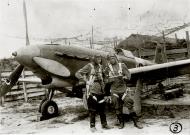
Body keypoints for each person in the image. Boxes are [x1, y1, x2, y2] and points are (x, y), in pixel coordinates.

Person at [75, 55, 111, 132]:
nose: (99, 60)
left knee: (102, 109)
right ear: (94, 59)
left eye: (100, 59)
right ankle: (92, 126)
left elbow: (105, 77)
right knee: (92, 110)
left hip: (101, 91)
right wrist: (86, 81)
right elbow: (77, 73)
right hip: (92, 91)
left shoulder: (101, 67)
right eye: (98, 58)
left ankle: (104, 124)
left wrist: (105, 81)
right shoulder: (89, 66)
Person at [106, 53, 143, 129]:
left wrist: (124, 77)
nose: (112, 60)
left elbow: (129, 76)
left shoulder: (122, 65)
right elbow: (105, 80)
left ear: (116, 58)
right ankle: (121, 122)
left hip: (123, 90)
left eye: (113, 58)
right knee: (117, 106)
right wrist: (110, 80)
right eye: (110, 58)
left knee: (129, 103)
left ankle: (136, 122)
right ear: (108, 60)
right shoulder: (107, 68)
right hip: (114, 91)